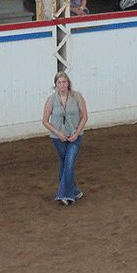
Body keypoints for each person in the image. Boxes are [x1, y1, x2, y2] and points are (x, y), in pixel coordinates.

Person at [42, 71, 89, 206]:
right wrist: (58, 133)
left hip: (75, 136)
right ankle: (75, 191)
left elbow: (84, 116)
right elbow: (45, 121)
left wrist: (77, 133)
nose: (62, 85)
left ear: (68, 83)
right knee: (64, 164)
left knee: (69, 162)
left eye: (64, 82)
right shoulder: (51, 100)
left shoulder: (78, 97)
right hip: (58, 139)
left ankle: (64, 195)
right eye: (59, 83)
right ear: (55, 85)